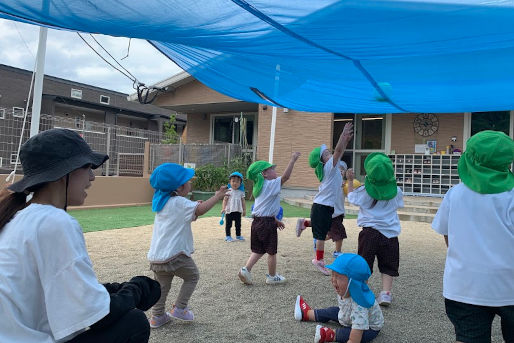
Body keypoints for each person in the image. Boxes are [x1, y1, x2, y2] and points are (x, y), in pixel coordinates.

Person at [0, 128, 160, 343]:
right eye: (88, 167)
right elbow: (99, 316)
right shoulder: (54, 221)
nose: (92, 176)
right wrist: (138, 288)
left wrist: (114, 289)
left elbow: (59, 292)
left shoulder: (18, 217)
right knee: (133, 322)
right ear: (64, 172)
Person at [431, 130, 514, 343]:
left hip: (465, 285)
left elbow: (448, 236)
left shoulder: (455, 194)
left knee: (469, 338)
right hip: (509, 284)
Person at [147, 163, 227, 328]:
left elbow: (186, 214)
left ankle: (157, 316)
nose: (190, 183)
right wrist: (218, 196)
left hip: (157, 258)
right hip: (176, 255)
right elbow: (200, 210)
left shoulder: (162, 203)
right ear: (179, 186)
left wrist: (193, 206)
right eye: (188, 181)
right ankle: (180, 308)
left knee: (162, 287)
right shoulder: (179, 203)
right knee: (192, 276)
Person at [346, 153, 404, 306]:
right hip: (390, 234)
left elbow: (351, 197)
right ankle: (386, 293)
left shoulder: (364, 191)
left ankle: (363, 290)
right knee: (388, 265)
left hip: (369, 233)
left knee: (365, 262)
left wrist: (350, 181)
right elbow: (398, 204)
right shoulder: (397, 191)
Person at [238, 152, 300, 285]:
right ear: (264, 174)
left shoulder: (259, 187)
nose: (274, 170)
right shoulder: (269, 184)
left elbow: (265, 207)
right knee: (271, 251)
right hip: (266, 223)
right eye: (272, 169)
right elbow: (286, 177)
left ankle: (246, 269)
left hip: (257, 222)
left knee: (259, 249)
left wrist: (275, 220)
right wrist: (293, 160)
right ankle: (272, 276)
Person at [294, 253, 384, 343]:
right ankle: (307, 314)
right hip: (350, 315)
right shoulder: (345, 289)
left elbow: (357, 331)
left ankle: (329, 334)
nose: (333, 279)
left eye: (338, 277)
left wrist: (352, 340)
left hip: (368, 327)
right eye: (333, 275)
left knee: (351, 334)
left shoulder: (360, 304)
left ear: (353, 282)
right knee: (332, 311)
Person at [307, 122, 353, 275]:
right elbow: (338, 151)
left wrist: (345, 141)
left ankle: (304, 224)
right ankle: (318, 260)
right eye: (326, 154)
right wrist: (342, 136)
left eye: (328, 152)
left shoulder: (331, 169)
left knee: (323, 232)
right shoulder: (329, 168)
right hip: (321, 206)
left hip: (325, 207)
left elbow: (339, 151)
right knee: (321, 236)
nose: (330, 154)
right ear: (323, 161)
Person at [296, 161, 349, 258]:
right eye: (339, 169)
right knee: (340, 232)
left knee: (328, 230)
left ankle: (307, 224)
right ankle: (337, 252)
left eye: (343, 170)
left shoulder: (344, 184)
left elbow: (348, 193)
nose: (341, 172)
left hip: (336, 212)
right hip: (333, 213)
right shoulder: (331, 181)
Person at [221, 171, 246, 242]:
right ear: (230, 182)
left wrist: (244, 210)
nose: (235, 183)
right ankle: (228, 236)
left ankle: (238, 235)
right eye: (233, 181)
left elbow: (243, 201)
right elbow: (225, 200)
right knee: (228, 224)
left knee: (238, 224)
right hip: (229, 210)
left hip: (238, 210)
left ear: (240, 183)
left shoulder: (241, 192)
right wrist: (223, 208)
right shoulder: (228, 191)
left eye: (237, 182)